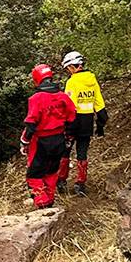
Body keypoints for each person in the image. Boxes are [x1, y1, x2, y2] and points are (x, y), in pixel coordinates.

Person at [21, 64, 77, 208]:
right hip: (59, 139)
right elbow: (72, 118)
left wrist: (24, 141)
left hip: (41, 141)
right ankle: (50, 200)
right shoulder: (63, 96)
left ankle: (42, 202)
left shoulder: (36, 98)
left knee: (33, 175)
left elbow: (31, 123)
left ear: (36, 80)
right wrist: (69, 137)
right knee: (51, 172)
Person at [58, 51, 108, 196]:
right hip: (87, 123)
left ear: (73, 67)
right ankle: (80, 184)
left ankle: (61, 181)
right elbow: (100, 106)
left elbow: (68, 105)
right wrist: (100, 125)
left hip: (72, 123)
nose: (68, 71)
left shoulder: (72, 82)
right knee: (82, 153)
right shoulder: (92, 80)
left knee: (65, 151)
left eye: (68, 68)